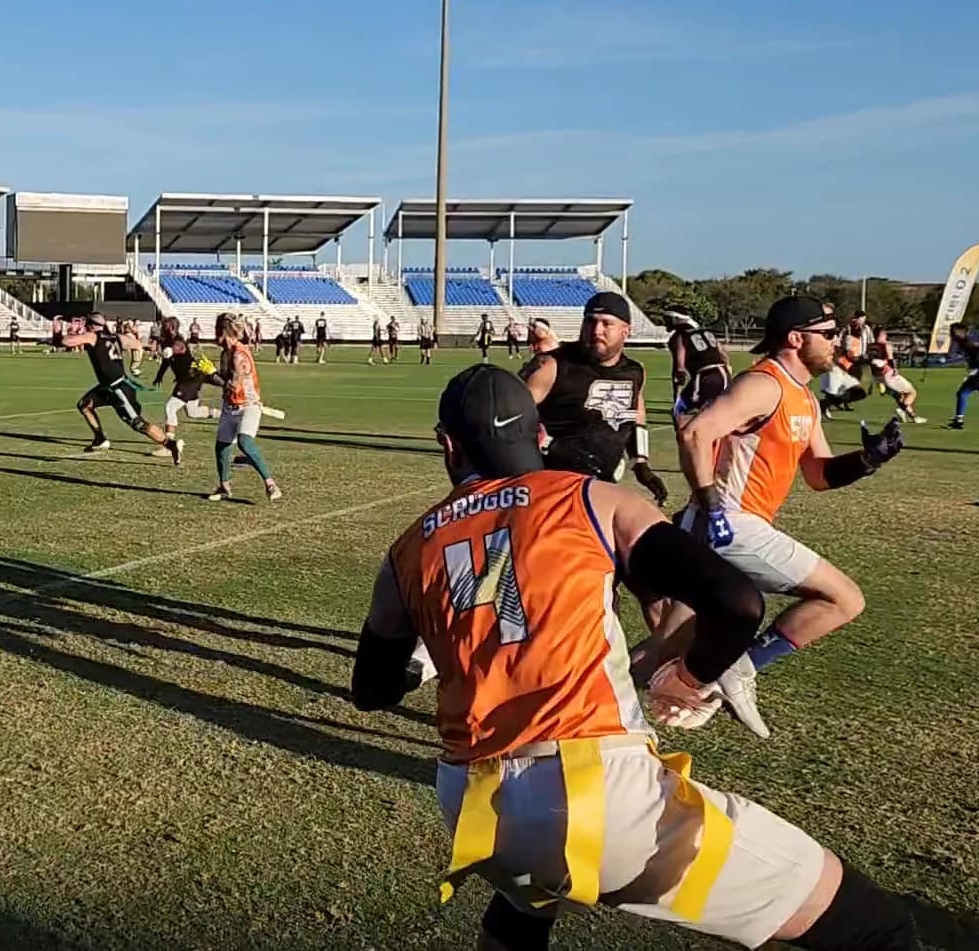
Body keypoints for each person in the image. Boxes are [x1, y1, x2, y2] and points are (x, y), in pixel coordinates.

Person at [352, 363, 920, 951]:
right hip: (595, 790)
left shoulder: (407, 550)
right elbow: (735, 601)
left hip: (473, 805)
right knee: (874, 927)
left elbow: (371, 690)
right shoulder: (592, 498)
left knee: (526, 896)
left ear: (448, 445)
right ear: (541, 435)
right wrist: (690, 678)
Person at [651, 297, 905, 737]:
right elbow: (695, 433)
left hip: (728, 524)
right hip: (729, 524)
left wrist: (867, 460)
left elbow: (818, 474)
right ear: (795, 338)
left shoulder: (803, 397)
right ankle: (739, 667)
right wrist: (712, 505)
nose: (837, 342)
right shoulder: (764, 384)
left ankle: (608, 708)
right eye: (828, 334)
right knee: (844, 599)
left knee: (667, 651)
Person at [521, 292, 669, 506]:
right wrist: (552, 446)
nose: (596, 330)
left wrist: (640, 462)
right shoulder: (551, 365)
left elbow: (635, 413)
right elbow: (508, 417)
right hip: (551, 487)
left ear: (626, 330)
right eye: (590, 322)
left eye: (606, 323)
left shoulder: (634, 372)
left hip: (600, 488)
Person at [60, 313, 181, 462]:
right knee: (84, 405)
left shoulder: (92, 336)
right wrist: (135, 365)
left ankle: (171, 445)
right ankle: (100, 439)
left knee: (138, 424)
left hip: (118, 390)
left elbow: (66, 342)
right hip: (109, 386)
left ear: (90, 325)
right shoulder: (117, 337)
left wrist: (72, 331)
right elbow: (137, 345)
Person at [204, 312, 282, 502]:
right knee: (221, 446)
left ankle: (271, 484)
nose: (214, 335)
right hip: (230, 404)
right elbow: (224, 382)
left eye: (217, 330)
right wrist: (202, 375)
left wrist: (212, 374)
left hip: (248, 405)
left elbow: (232, 385)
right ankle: (224, 487)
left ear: (225, 331)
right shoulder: (225, 353)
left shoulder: (239, 354)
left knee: (244, 442)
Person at [150, 325, 212, 456]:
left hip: (189, 380)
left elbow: (181, 348)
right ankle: (224, 414)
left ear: (173, 328)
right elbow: (166, 362)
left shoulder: (178, 340)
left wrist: (172, 350)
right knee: (193, 412)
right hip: (189, 381)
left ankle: (169, 446)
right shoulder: (166, 342)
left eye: (168, 327)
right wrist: (159, 376)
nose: (165, 329)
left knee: (170, 407)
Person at [665, 306, 732, 426]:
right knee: (717, 411)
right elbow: (723, 354)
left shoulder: (679, 337)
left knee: (682, 412)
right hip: (723, 373)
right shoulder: (706, 332)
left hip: (706, 377)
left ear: (675, 319)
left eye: (667, 318)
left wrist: (677, 394)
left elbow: (680, 368)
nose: (665, 322)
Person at [867, 328, 925, 424]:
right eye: (885, 334)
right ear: (881, 335)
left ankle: (914, 417)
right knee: (912, 392)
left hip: (877, 378)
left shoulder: (869, 346)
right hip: (888, 375)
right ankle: (901, 410)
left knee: (899, 396)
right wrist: (895, 369)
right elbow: (890, 359)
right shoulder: (886, 345)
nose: (886, 336)